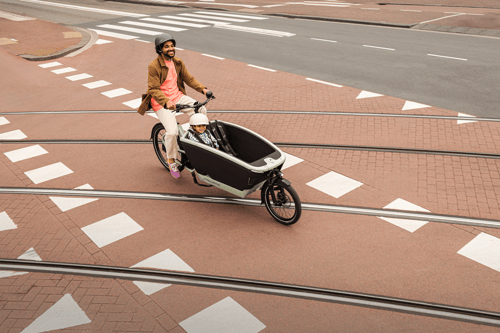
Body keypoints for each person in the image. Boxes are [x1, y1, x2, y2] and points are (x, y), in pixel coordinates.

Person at [138, 33, 210, 179]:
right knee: (171, 132)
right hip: (161, 102)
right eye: (167, 47)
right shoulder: (154, 66)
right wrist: (166, 102)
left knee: (201, 109)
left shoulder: (177, 62)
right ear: (160, 49)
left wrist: (203, 89)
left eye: (172, 46)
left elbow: (188, 78)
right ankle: (171, 160)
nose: (171, 49)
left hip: (178, 97)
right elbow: (153, 89)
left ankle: (196, 139)